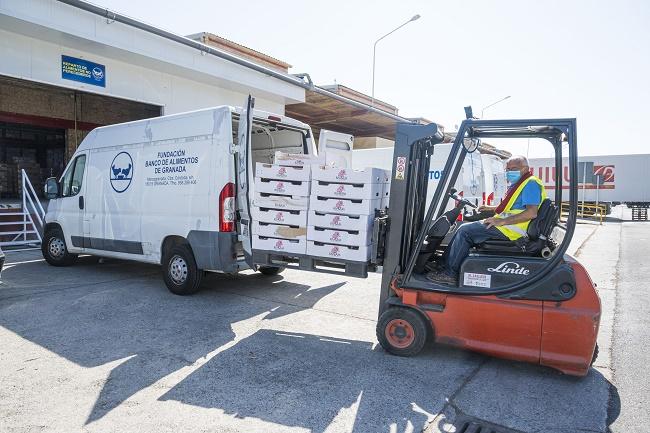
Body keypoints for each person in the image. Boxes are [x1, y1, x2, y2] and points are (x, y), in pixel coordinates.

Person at [428, 155, 547, 285]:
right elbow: (513, 207)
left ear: (525, 168)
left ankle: (450, 274)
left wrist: (500, 221)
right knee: (463, 228)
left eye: (514, 169)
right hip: (508, 226)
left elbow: (531, 212)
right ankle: (443, 264)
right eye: (507, 169)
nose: (509, 172)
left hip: (513, 230)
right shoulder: (520, 183)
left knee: (465, 231)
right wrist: (490, 208)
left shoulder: (531, 183)